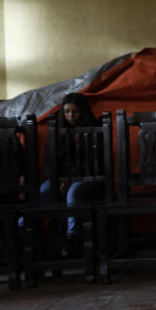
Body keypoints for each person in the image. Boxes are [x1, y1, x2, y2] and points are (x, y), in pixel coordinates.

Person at [39, 92, 104, 242]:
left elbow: (94, 162)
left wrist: (71, 179)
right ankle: (23, 228)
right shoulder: (57, 131)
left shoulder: (94, 130)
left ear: (83, 111)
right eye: (67, 111)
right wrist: (58, 179)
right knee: (43, 191)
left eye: (75, 111)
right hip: (60, 178)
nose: (71, 115)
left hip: (89, 178)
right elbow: (49, 161)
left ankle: (73, 237)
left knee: (74, 191)